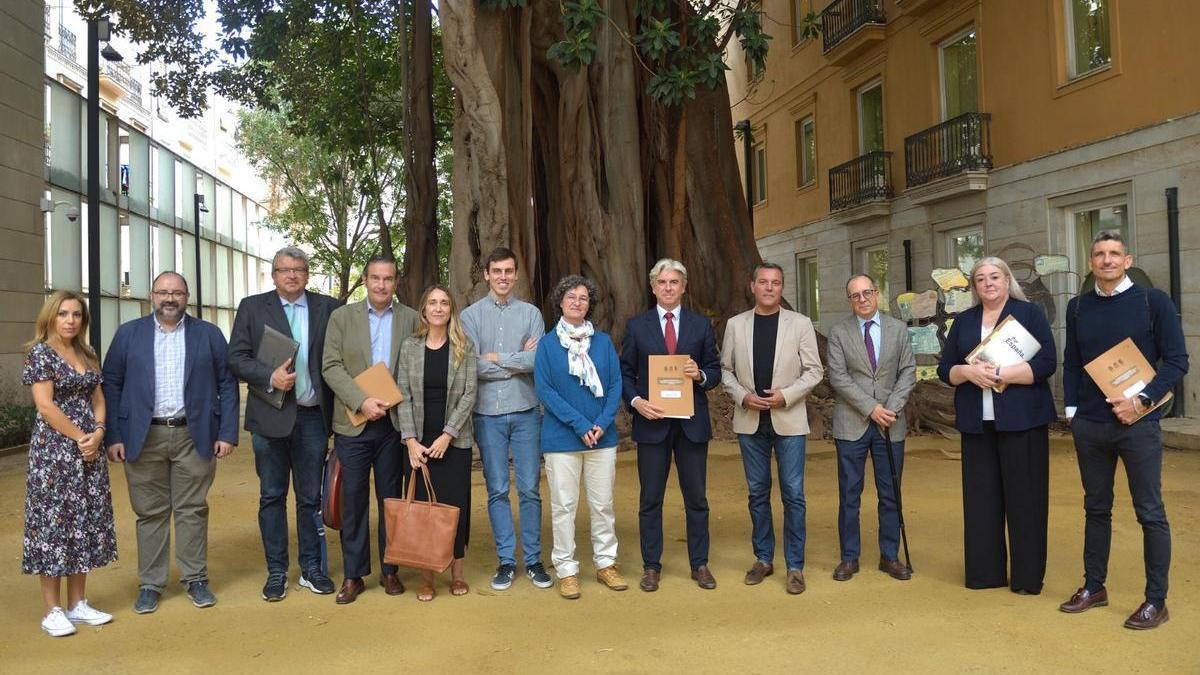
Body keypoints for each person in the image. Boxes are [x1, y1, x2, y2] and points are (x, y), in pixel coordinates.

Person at [1059, 231, 1188, 630]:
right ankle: (1094, 587)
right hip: (1091, 427)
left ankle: (1155, 601)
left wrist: (1143, 401)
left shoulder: (1154, 302)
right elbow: (1072, 363)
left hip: (1139, 426)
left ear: (1127, 260)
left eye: (1115, 254)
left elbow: (1177, 360)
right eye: (1099, 254)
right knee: (1095, 508)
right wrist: (1073, 414)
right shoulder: (1077, 307)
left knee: (1150, 512)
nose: (1107, 260)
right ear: (1091, 262)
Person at [103, 271, 240, 613]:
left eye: (176, 293)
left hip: (194, 435)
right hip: (142, 435)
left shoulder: (208, 335)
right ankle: (151, 584)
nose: (170, 298)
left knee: (192, 509)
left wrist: (226, 433)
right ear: (151, 295)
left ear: (187, 297)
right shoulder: (128, 334)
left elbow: (227, 384)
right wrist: (114, 435)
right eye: (163, 292)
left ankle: (195, 579)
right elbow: (111, 385)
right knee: (150, 513)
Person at [228, 246, 342, 601]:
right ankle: (276, 571)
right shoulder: (252, 307)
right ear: (273, 274)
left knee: (310, 498)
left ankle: (311, 569)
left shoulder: (329, 307)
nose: (291, 275)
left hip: (312, 418)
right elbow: (236, 358)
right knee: (271, 496)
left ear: (307, 274)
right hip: (269, 417)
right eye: (284, 269)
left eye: (298, 269)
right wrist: (268, 377)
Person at [937, 257, 1056, 595]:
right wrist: (968, 373)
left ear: (1006, 281)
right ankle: (985, 573)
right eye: (980, 279)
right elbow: (946, 368)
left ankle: (1027, 578)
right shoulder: (964, 320)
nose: (988, 283)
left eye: (994, 277)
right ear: (974, 287)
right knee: (981, 500)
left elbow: (1047, 361)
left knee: (1026, 501)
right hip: (978, 423)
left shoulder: (1029, 313)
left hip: (1023, 421)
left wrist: (1002, 374)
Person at [322, 255, 419, 604]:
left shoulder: (410, 318)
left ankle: (390, 570)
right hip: (354, 422)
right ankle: (353, 574)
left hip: (394, 425)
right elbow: (330, 366)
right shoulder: (342, 317)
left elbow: (418, 364)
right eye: (375, 278)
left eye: (388, 279)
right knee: (354, 501)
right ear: (366, 280)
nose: (381, 285)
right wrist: (362, 401)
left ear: (396, 282)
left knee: (391, 500)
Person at [721, 263, 823, 594]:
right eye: (763, 282)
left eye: (775, 283)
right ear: (752, 286)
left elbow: (814, 370)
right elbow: (725, 370)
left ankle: (795, 566)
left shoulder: (801, 324)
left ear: (782, 288)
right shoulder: (736, 325)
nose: (769, 288)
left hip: (789, 420)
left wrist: (786, 396)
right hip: (750, 422)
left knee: (793, 493)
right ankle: (763, 559)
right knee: (757, 492)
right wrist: (743, 396)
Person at [621, 258, 722, 592]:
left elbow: (714, 369)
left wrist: (701, 375)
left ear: (684, 286)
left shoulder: (700, 325)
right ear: (653, 287)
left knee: (696, 498)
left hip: (692, 424)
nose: (668, 288)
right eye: (662, 282)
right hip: (653, 424)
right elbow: (625, 373)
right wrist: (637, 402)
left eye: (674, 282)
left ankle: (700, 564)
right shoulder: (637, 326)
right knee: (650, 498)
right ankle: (651, 566)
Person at [22, 291, 117, 636]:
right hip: (55, 454)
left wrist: (99, 431)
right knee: (54, 527)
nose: (70, 320)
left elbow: (99, 398)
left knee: (85, 522)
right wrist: (82, 438)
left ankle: (78, 604)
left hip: (88, 448)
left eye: (77, 314)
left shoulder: (87, 353)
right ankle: (52, 610)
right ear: (51, 316)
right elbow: (45, 407)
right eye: (63, 313)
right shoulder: (41, 354)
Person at [460, 247, 551, 591]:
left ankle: (533, 559)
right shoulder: (470, 316)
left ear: (516, 274)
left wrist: (497, 358)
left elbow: (536, 362)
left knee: (529, 488)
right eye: (496, 271)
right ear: (486, 274)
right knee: (497, 489)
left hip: (526, 411)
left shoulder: (531, 314)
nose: (502, 277)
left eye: (508, 271)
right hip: (487, 415)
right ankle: (506, 561)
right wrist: (515, 359)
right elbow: (472, 365)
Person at [534, 275, 627, 600]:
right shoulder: (547, 345)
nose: (577, 302)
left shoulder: (602, 343)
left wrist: (601, 424)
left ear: (590, 304)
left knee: (603, 505)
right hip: (562, 439)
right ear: (560, 302)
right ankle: (567, 569)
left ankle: (605, 563)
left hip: (602, 437)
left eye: (584, 298)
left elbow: (615, 385)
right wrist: (580, 424)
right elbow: (545, 390)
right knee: (563, 506)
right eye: (571, 297)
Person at [825, 274, 916, 583]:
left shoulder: (898, 329)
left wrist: (890, 407)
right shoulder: (839, 332)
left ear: (877, 294)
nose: (862, 299)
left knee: (891, 493)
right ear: (849, 300)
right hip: (852, 424)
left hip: (891, 422)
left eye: (867, 293)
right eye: (855, 295)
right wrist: (871, 408)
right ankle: (849, 557)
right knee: (850, 494)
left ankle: (889, 555)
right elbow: (838, 377)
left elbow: (908, 371)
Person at [397, 285, 478, 601]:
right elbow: (402, 393)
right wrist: (410, 440)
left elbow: (470, 393)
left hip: (453, 441)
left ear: (451, 310)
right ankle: (427, 576)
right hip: (418, 440)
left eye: (445, 302)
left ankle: (457, 574)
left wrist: (448, 434)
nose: (439, 307)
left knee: (455, 508)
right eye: (432, 302)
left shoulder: (464, 346)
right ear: (424, 310)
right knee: (422, 509)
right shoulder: (410, 347)